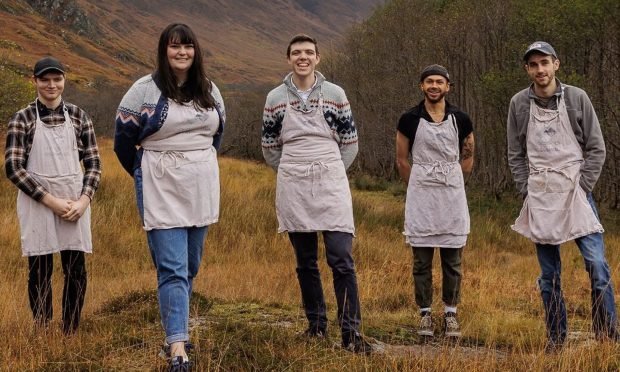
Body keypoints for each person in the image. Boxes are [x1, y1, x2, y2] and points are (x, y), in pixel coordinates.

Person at [114, 23, 225, 371]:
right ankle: (176, 345)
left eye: (188, 46)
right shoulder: (143, 90)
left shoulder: (209, 89)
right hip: (161, 183)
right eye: (174, 46)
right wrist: (144, 171)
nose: (182, 52)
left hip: (200, 184)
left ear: (196, 51)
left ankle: (179, 326)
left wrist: (198, 163)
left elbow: (217, 135)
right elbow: (122, 141)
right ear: (164, 51)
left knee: (190, 265)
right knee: (172, 267)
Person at [261, 34, 371, 354]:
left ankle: (351, 334)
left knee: (341, 259)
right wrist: (293, 169)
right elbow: (269, 146)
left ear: (318, 58)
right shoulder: (275, 98)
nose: (303, 57)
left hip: (331, 182)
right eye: (297, 52)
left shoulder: (335, 94)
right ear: (289, 58)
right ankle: (317, 327)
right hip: (293, 183)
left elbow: (349, 142)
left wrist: (331, 169)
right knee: (305, 261)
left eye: (309, 52)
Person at [507, 41, 618, 352]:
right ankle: (556, 339)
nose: (540, 70)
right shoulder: (518, 104)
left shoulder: (577, 98)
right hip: (540, 194)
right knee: (549, 273)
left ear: (556, 64)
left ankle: (607, 338)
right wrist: (525, 188)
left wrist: (583, 187)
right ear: (527, 70)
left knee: (597, 264)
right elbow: (515, 153)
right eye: (533, 65)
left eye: (545, 62)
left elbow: (597, 148)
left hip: (575, 191)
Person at [5, 56, 101, 335]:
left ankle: (71, 327)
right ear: (34, 81)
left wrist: (84, 200)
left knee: (76, 269)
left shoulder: (80, 116)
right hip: (39, 203)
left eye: (56, 79)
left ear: (64, 81)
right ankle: (43, 326)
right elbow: (13, 167)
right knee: (39, 269)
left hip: (74, 201)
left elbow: (94, 163)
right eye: (45, 79)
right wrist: (50, 200)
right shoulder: (22, 119)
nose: (51, 84)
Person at [396, 64, 474, 340]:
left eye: (439, 81)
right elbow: (402, 159)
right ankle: (425, 314)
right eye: (429, 81)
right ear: (422, 86)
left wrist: (455, 182)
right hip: (421, 193)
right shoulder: (409, 119)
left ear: (447, 87)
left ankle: (451, 314)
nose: (434, 86)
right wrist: (416, 185)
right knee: (422, 260)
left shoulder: (461, 118)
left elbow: (468, 154)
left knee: (452, 259)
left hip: (451, 192)